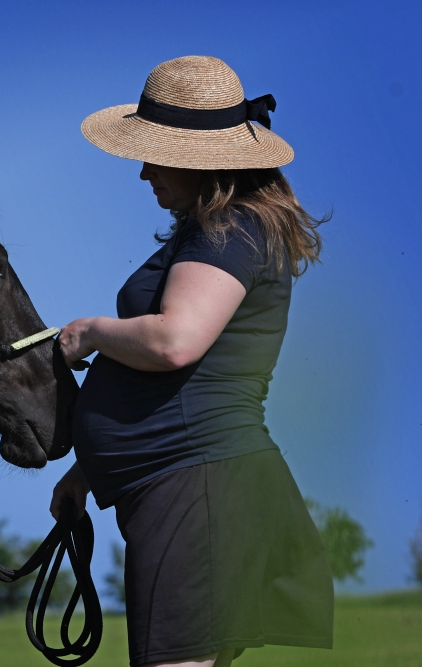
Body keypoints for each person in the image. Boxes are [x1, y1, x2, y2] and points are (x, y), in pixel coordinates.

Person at [50, 56, 333, 667]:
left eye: (156, 155)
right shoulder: (217, 229)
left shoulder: (231, 229)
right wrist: (90, 470)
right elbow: (187, 378)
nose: (143, 171)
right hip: (197, 487)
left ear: (201, 158)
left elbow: (175, 342)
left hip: (197, 491)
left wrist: (91, 332)